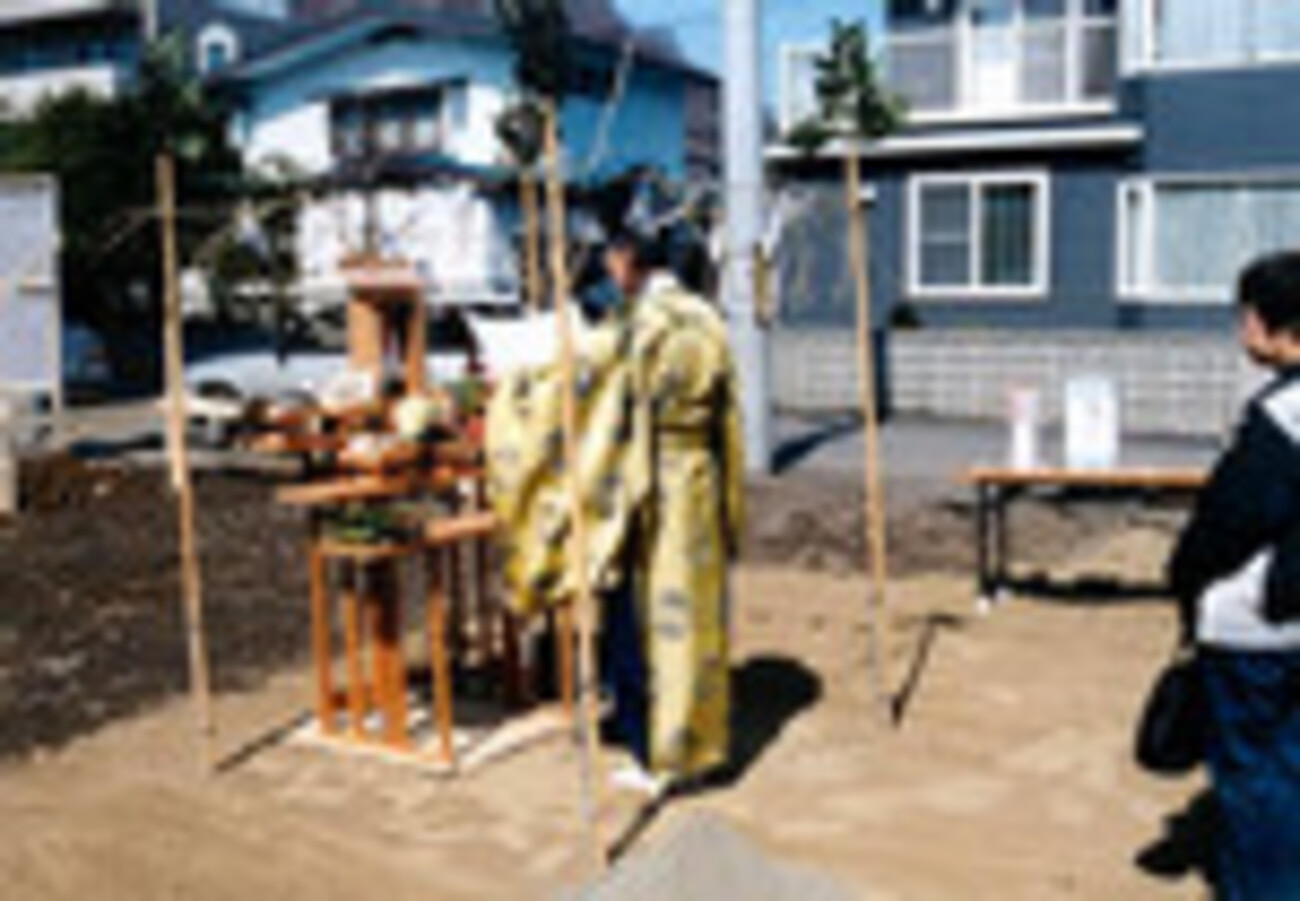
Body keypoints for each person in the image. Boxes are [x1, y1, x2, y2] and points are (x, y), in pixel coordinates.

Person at [486, 176, 745, 796]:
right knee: (696, 624)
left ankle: (654, 750)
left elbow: (574, 394)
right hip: (701, 481)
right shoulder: (707, 321)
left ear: (630, 257)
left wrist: (515, 388)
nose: (607, 263)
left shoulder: (638, 327)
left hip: (649, 486)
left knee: (641, 623)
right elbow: (730, 423)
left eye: (611, 253)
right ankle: (698, 743)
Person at [1167, 250, 1300, 899]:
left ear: (1281, 327)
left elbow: (1226, 525)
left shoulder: (1283, 418)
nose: (1242, 327)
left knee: (1255, 781)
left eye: (1249, 315)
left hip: (1261, 626)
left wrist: (1183, 579)